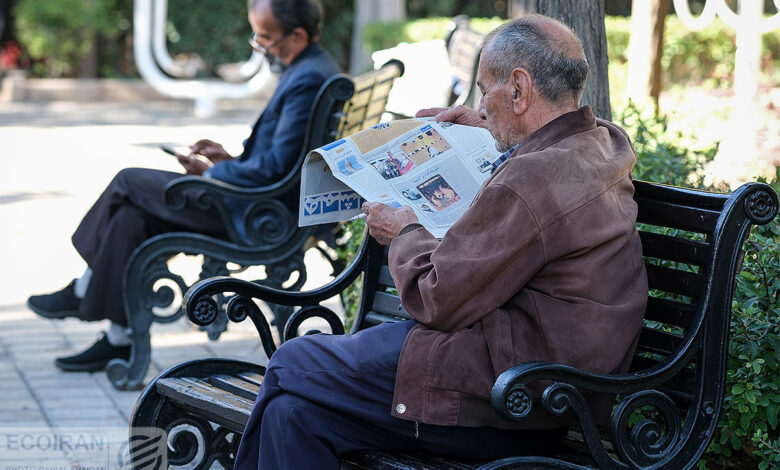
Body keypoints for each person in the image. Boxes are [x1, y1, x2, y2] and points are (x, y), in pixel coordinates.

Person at [233, 14, 648, 469]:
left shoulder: (532, 180)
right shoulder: (605, 142)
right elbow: (550, 134)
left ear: (519, 88)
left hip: (507, 393)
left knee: (292, 364)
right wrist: (485, 123)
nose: (481, 105)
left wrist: (404, 232)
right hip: (543, 378)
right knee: (293, 415)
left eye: (485, 90)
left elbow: (435, 298)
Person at [26, 0, 340, 372]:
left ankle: (83, 290)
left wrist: (210, 176)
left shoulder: (307, 79)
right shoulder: (310, 69)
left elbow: (274, 171)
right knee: (130, 217)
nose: (258, 45)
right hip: (261, 206)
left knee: (128, 181)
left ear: (298, 35)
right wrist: (227, 161)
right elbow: (279, 163)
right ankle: (118, 340)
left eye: (265, 37)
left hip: (257, 216)